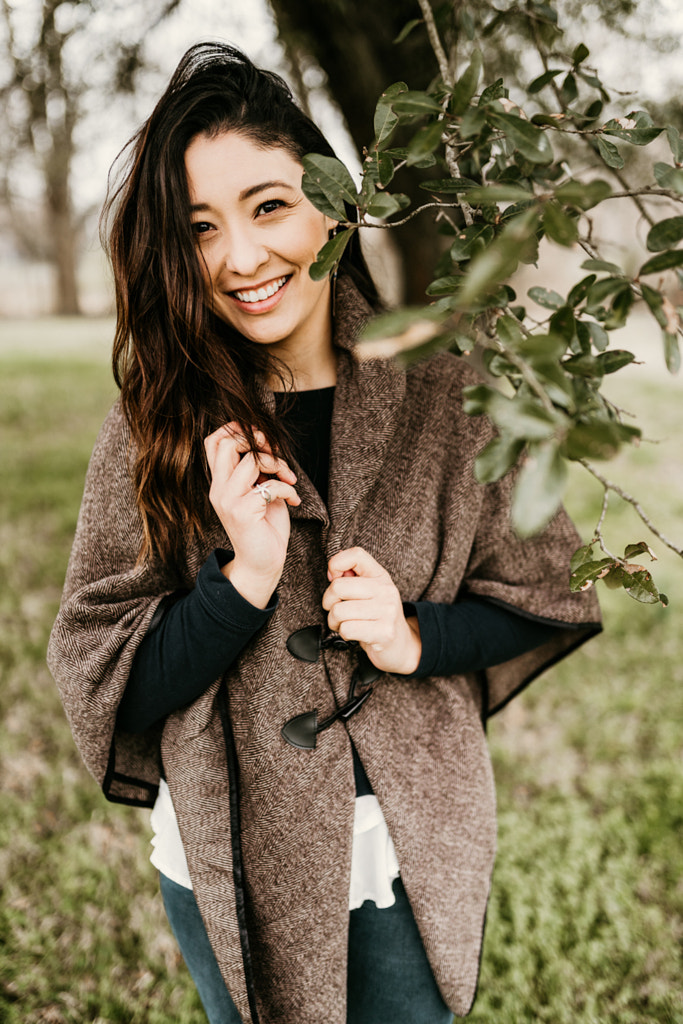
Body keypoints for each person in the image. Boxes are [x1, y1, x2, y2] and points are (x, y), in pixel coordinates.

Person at [48, 42, 602, 1024]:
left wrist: (413, 635)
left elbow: (544, 597)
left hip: (404, 838)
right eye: (201, 228)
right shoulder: (156, 419)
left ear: (334, 204)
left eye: (269, 205)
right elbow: (108, 675)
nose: (241, 257)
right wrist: (240, 582)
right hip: (228, 846)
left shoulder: (452, 391)